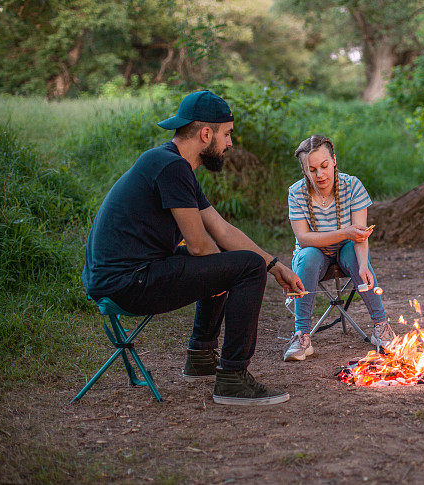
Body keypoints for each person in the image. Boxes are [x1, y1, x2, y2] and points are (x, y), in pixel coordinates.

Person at [82, 90, 304, 405]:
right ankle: (232, 379)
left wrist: (275, 265)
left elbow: (222, 229)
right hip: (127, 282)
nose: (230, 142)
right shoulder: (170, 167)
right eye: (226, 134)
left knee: (240, 262)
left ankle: (201, 357)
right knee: (244, 268)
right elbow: (200, 246)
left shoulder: (172, 164)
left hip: (130, 275)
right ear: (205, 133)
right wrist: (228, 273)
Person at [283, 135, 396, 361]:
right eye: (312, 169)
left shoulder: (352, 185)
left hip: (347, 249)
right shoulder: (296, 192)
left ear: (334, 160)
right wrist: (345, 232)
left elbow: (360, 235)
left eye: (324, 166)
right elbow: (304, 239)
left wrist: (364, 264)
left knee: (355, 257)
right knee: (307, 257)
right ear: (304, 171)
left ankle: (381, 327)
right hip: (314, 254)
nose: (320, 175)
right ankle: (301, 335)